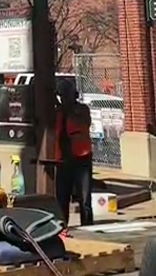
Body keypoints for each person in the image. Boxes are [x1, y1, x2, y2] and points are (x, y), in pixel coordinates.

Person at [54, 80, 93, 227]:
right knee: (62, 198)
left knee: (84, 198)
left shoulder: (82, 110)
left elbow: (82, 122)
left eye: (66, 95)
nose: (64, 98)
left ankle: (88, 225)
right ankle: (62, 227)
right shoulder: (57, 113)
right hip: (63, 160)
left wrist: (63, 108)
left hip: (81, 158)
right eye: (61, 96)